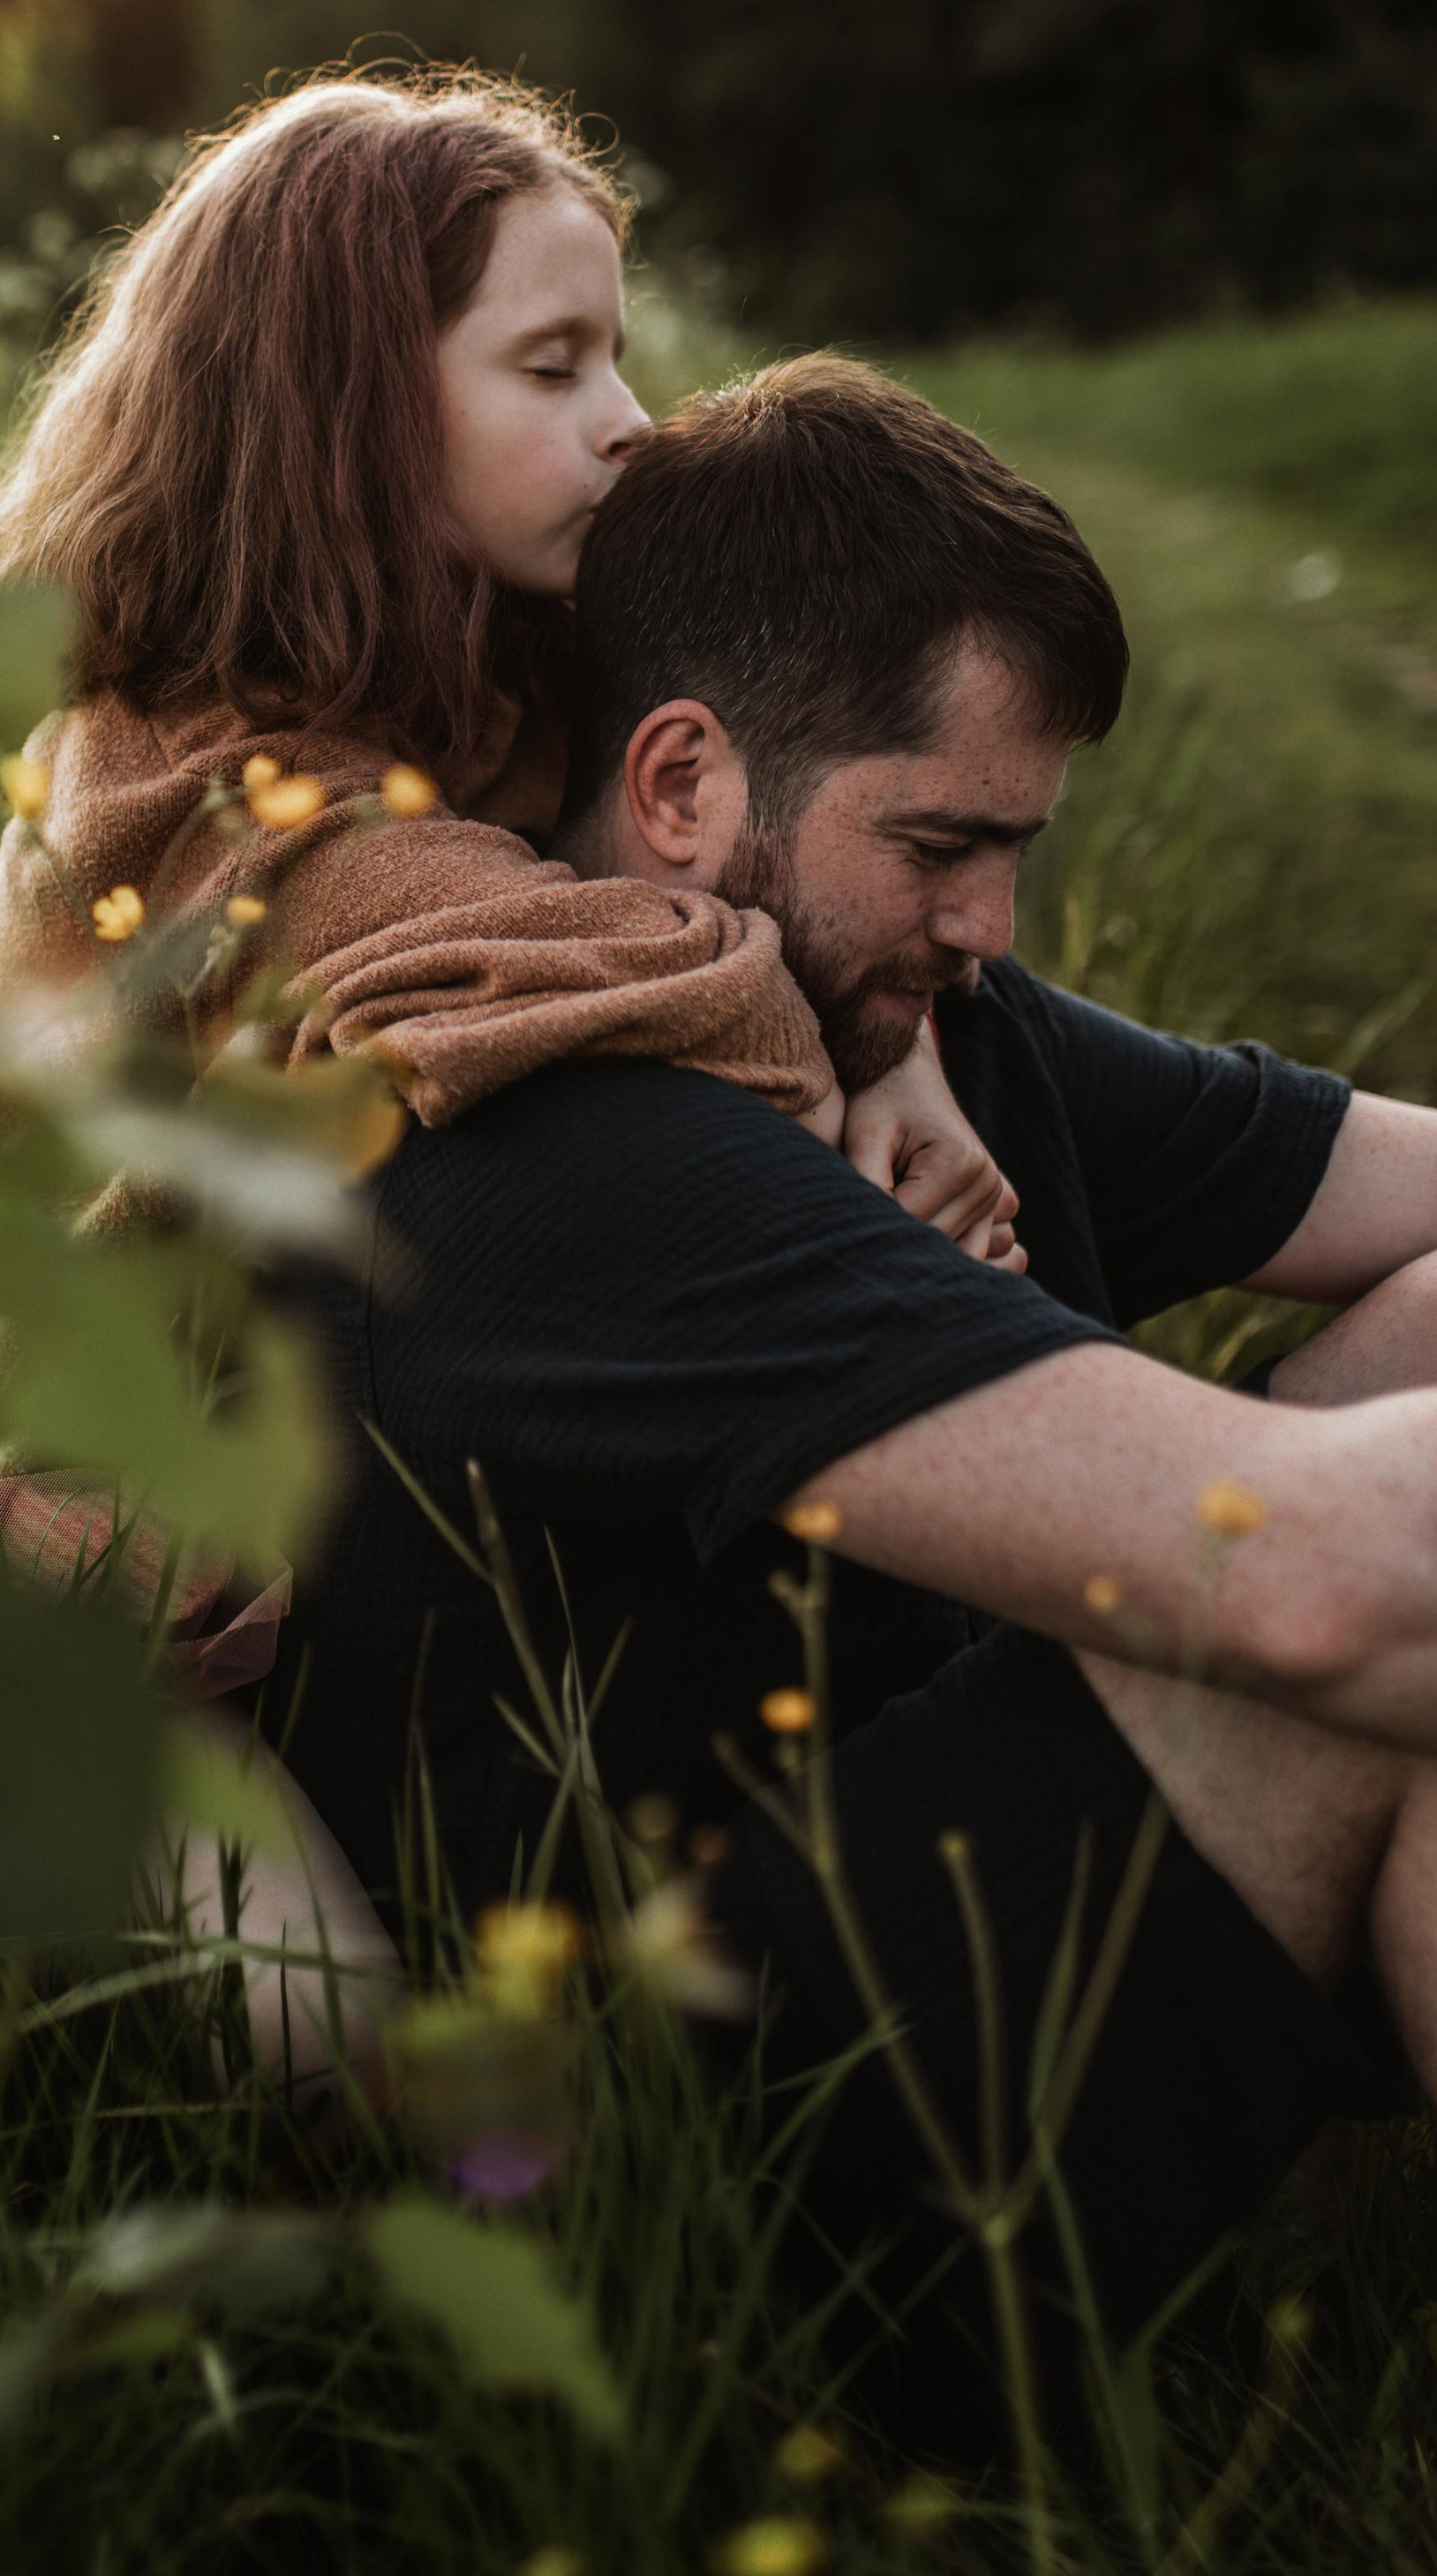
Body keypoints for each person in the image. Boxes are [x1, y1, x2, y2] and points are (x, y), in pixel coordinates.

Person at [273, 351, 1437, 2427]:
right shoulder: (568, 1153)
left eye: (1015, 845)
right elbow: (1309, 1583)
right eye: (940, 841)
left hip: (921, 1863)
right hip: (690, 2168)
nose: (992, 920)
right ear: (684, 783)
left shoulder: (892, 999)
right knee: (1349, 1630)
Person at [0, 78, 1011, 1730]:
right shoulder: (169, 770)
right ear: (347, 410)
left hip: (296, 1491)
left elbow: (780, 875)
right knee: (303, 1999)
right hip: (26, 1550)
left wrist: (909, 1053)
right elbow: (626, 977)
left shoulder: (504, 678)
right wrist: (843, 1061)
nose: (631, 418)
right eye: (553, 367)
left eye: (616, 356)